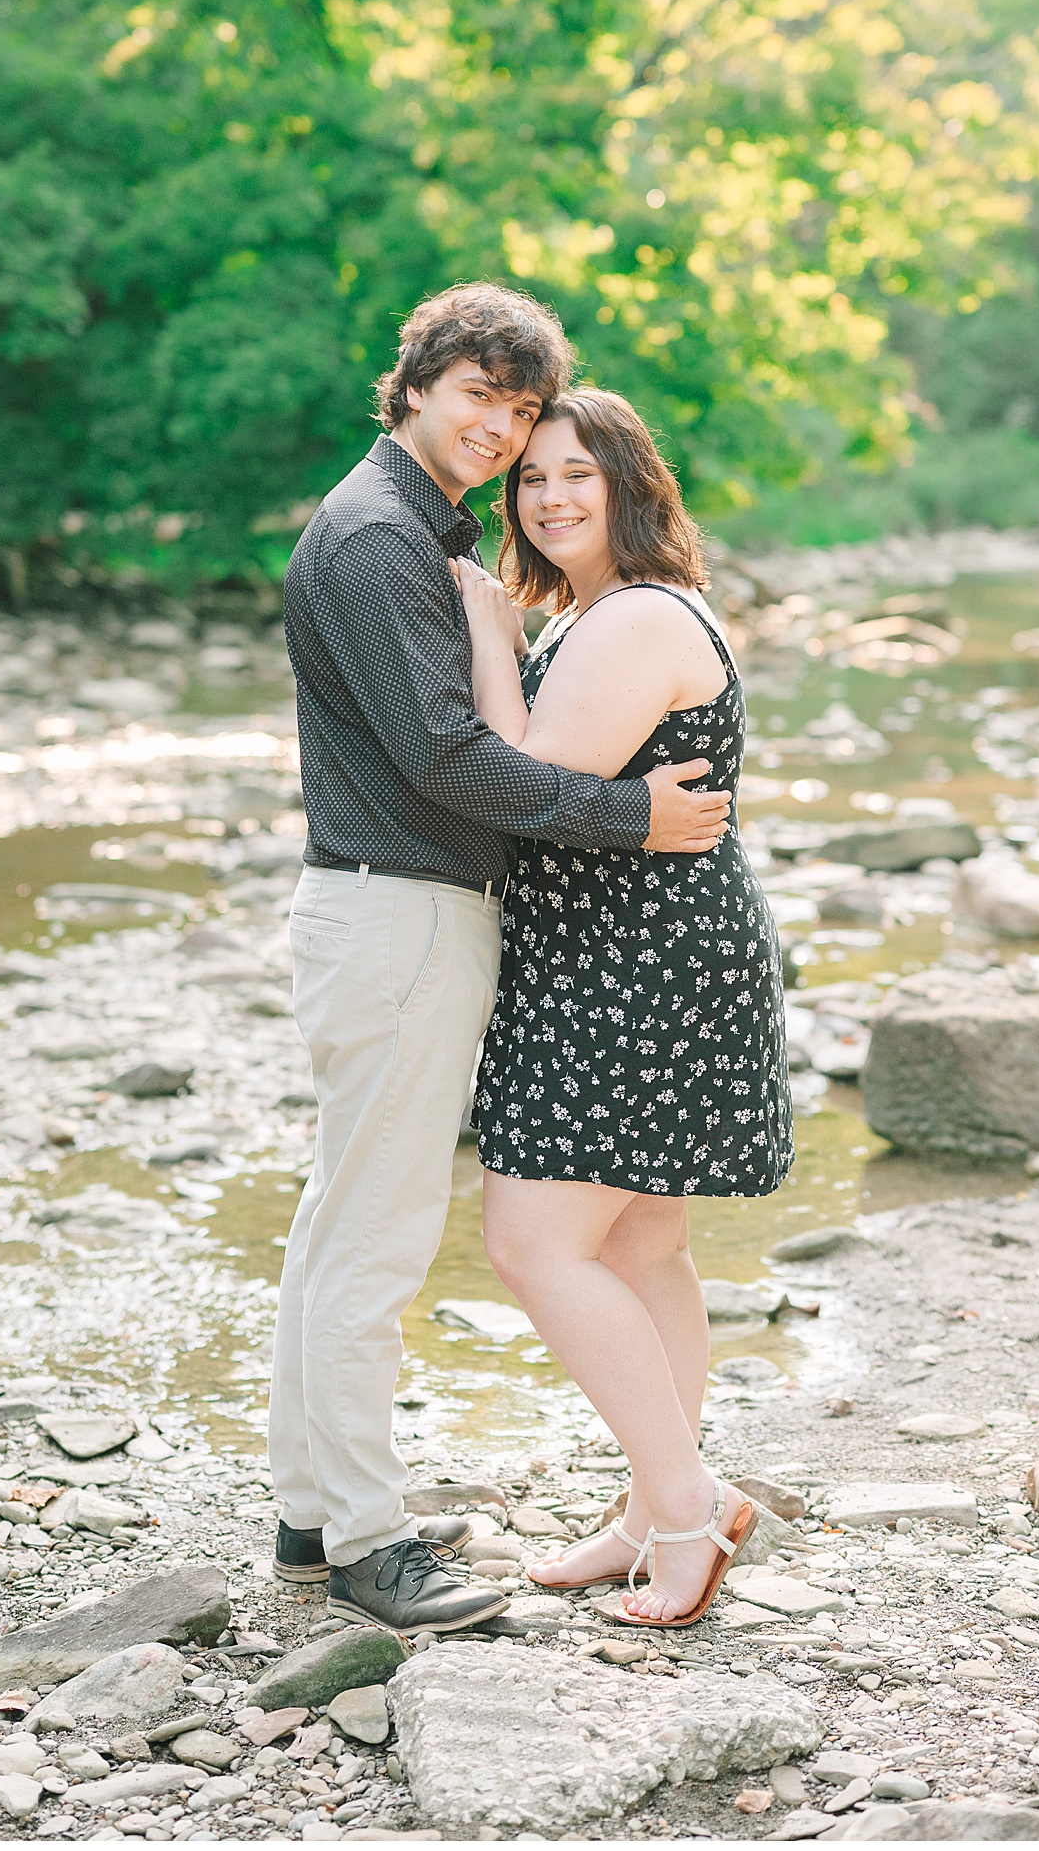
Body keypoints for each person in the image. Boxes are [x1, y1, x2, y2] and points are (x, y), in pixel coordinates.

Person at [271, 284, 734, 1638]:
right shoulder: (373, 540)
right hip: (399, 911)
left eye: (521, 408)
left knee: (338, 1221)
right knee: (373, 1235)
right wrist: (633, 814)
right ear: (411, 385)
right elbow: (446, 758)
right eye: (478, 394)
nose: (498, 427)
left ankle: (314, 1505)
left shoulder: (416, 537)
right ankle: (362, 1534)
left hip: (395, 910)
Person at [453, 386, 792, 1627]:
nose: (548, 498)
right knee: (642, 1243)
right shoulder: (608, 611)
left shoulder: (640, 614)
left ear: (629, 485)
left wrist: (491, 634)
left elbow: (527, 778)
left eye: (575, 476)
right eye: (530, 480)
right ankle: (656, 1510)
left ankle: (687, 1506)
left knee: (533, 1242)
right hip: (633, 953)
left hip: (635, 968)